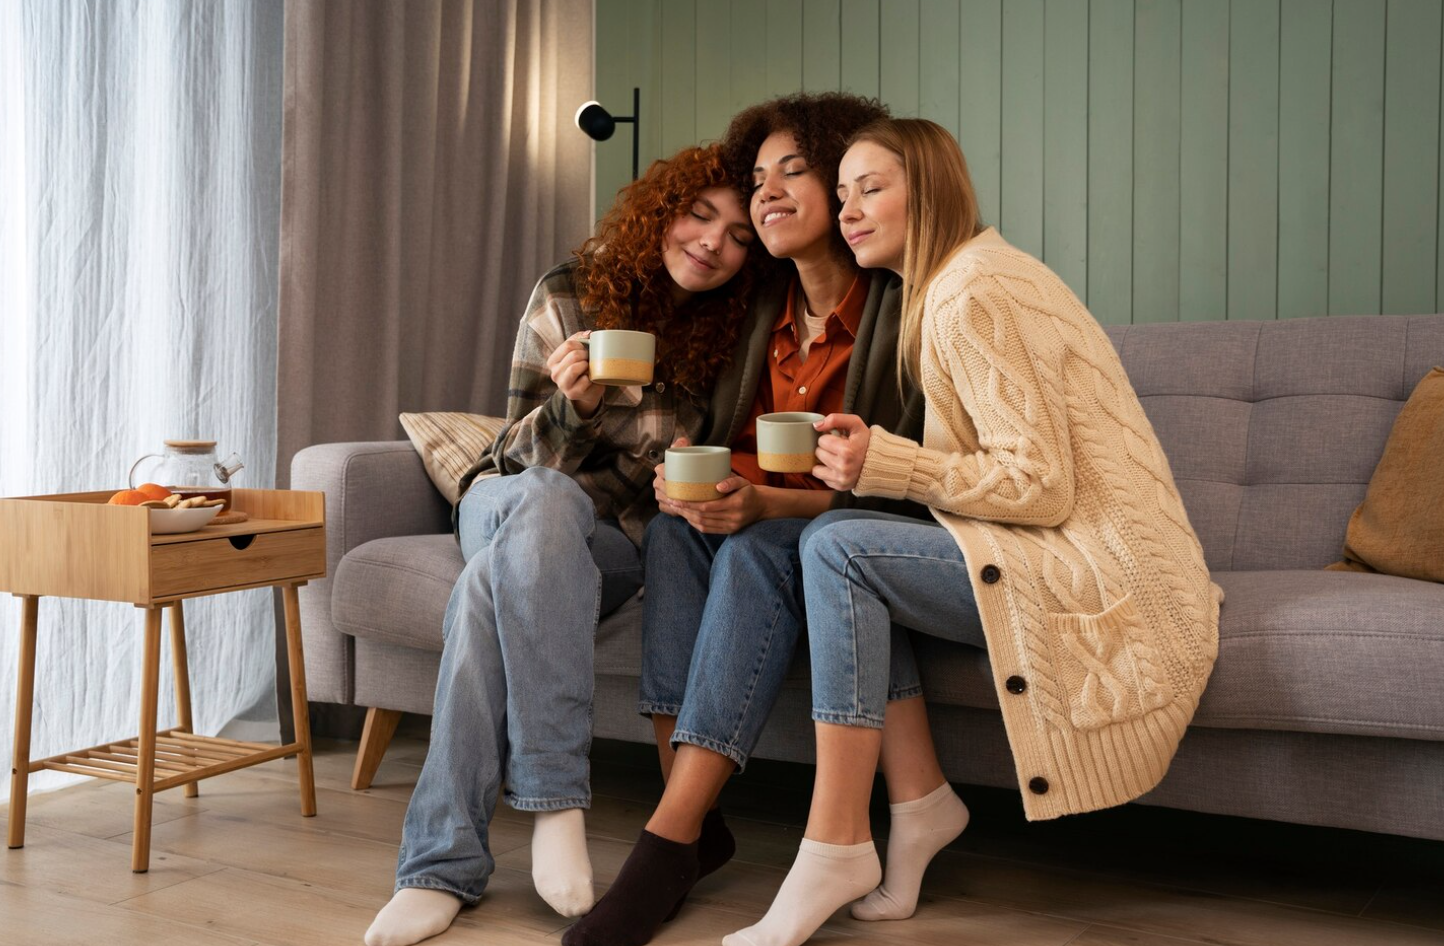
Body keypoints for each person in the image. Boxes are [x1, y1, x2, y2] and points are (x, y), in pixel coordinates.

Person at [723, 119, 1224, 946]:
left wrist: (889, 464)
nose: (849, 211)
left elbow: (1040, 484)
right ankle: (920, 805)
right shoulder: (962, 280)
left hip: (1101, 569)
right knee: (852, 547)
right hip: (1077, 549)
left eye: (871, 189)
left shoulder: (971, 293)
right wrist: (877, 464)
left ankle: (838, 841)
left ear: (930, 190)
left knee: (838, 547)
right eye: (842, 194)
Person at [364, 144, 766, 946]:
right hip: (507, 499)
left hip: (609, 542)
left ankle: (438, 869)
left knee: (486, 591)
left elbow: (687, 475)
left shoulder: (729, 337)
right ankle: (555, 799)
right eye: (699, 215)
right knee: (546, 499)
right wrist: (571, 410)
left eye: (738, 236)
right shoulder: (570, 292)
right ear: (661, 212)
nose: (713, 242)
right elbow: (517, 457)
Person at [562, 92, 927, 946]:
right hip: (768, 521)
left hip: (856, 535)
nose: (767, 193)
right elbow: (730, 451)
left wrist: (763, 505)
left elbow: (898, 495)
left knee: (757, 550)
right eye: (759, 177)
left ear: (843, 185)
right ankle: (689, 811)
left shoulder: (902, 311)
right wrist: (694, 488)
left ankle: (668, 841)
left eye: (793, 172)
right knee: (676, 535)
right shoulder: (760, 313)